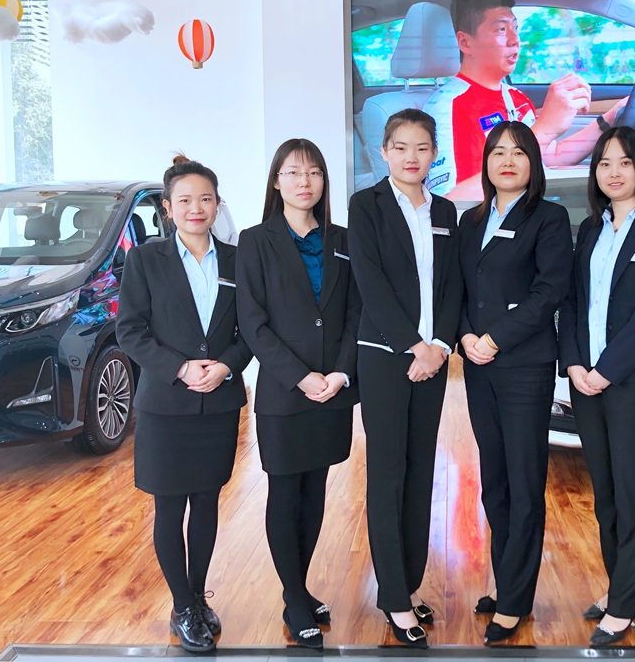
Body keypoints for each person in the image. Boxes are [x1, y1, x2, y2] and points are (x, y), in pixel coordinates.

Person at [117, 155, 253, 654]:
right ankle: (182, 606)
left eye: (206, 199)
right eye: (185, 200)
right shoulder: (145, 260)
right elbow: (130, 330)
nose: (196, 208)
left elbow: (252, 330)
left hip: (218, 402)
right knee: (170, 507)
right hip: (166, 405)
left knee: (208, 503)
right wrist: (179, 367)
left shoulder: (238, 260)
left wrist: (226, 366)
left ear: (217, 205)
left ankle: (197, 596)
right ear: (168, 208)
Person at [556, 126, 635, 647]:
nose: (613, 172)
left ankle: (626, 605)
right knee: (605, 493)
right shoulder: (590, 229)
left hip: (631, 381)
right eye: (604, 163)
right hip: (585, 380)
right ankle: (617, 588)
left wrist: (607, 369)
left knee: (632, 493)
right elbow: (572, 302)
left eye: (624, 162)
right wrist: (574, 364)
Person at [235, 139, 361, 649]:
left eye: (313, 172)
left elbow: (355, 312)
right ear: (276, 181)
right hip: (286, 394)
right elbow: (253, 322)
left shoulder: (342, 239)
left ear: (324, 181)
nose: (304, 182)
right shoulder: (255, 241)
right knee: (286, 494)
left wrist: (340, 373)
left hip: (333, 390)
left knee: (315, 495)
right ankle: (292, 597)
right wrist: (301, 376)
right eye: (293, 172)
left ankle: (302, 589)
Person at [347, 108, 462, 649]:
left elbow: (453, 285)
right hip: (385, 356)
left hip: (432, 359)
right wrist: (413, 344)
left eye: (421, 147)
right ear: (384, 152)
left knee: (421, 472)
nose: (411, 157)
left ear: (434, 153)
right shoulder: (365, 205)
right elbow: (369, 282)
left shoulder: (445, 210)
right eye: (400, 147)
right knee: (388, 473)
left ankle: (409, 586)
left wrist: (439, 346)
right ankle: (393, 596)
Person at [457, 121, 572, 644]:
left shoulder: (548, 217)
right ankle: (507, 584)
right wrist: (465, 336)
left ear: (534, 163)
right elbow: (458, 289)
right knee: (495, 481)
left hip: (523, 364)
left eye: (519, 152)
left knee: (525, 483)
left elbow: (549, 291)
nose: (507, 161)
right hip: (478, 365)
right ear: (485, 162)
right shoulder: (471, 219)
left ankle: (516, 600)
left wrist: (495, 338)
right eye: (498, 152)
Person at [422, 0, 627, 199]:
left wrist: (608, 120)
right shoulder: (448, 107)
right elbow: (449, 202)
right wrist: (544, 128)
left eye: (515, 28)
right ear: (465, 42)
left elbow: (550, 156)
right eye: (501, 30)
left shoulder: (515, 97)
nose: (515, 40)